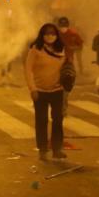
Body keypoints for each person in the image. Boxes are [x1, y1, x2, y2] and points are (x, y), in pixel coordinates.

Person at [25, 23, 67, 160]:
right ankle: (43, 149)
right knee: (41, 120)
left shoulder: (61, 49)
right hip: (40, 91)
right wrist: (32, 89)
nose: (50, 36)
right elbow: (28, 70)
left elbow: (67, 68)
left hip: (57, 90)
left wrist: (67, 88)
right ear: (42, 35)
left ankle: (57, 149)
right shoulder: (35, 49)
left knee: (58, 120)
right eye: (47, 33)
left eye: (53, 33)